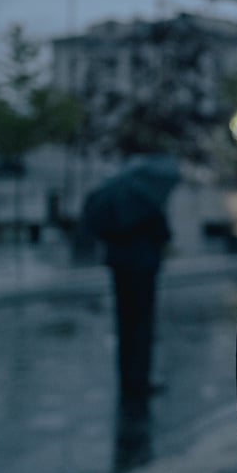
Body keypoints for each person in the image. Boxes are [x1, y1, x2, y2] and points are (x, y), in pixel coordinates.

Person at [82, 154, 179, 401]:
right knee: (142, 325)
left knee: (124, 324)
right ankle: (140, 379)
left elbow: (103, 232)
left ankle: (127, 379)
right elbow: (164, 235)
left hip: (120, 269)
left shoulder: (114, 203)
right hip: (144, 270)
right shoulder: (147, 204)